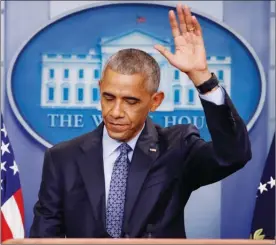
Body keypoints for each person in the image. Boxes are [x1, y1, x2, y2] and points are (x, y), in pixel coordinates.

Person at [30, 4, 251, 238]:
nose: (115, 111)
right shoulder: (62, 158)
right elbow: (44, 238)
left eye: (130, 101)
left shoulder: (177, 148)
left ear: (155, 101)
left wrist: (203, 79)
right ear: (99, 90)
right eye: (108, 97)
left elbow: (233, 155)